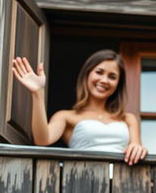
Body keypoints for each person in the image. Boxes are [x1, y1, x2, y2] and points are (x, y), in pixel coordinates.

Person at [11, 49, 147, 165]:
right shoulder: (66, 116)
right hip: (83, 181)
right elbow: (42, 140)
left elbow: (135, 147)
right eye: (99, 72)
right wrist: (37, 92)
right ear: (87, 74)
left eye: (112, 76)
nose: (104, 80)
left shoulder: (128, 118)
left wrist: (138, 149)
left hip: (123, 183)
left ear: (118, 84)